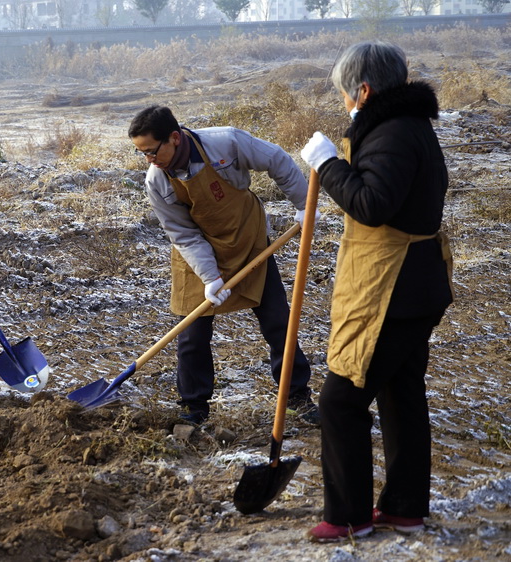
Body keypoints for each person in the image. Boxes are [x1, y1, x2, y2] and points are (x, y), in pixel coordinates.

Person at [301, 41, 453, 543]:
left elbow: (370, 204)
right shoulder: (412, 127)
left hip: (392, 287)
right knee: (400, 390)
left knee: (341, 399)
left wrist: (327, 164)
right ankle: (405, 508)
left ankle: (348, 516)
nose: (346, 103)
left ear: (363, 90)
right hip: (418, 285)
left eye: (347, 95)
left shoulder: (391, 133)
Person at [128, 105, 320, 425]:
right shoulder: (157, 182)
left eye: (151, 151)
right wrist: (210, 276)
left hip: (248, 241)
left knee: (277, 322)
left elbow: (276, 160)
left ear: (174, 138)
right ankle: (193, 407)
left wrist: (304, 205)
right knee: (192, 334)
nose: (148, 159)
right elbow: (184, 235)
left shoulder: (226, 143)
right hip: (197, 253)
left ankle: (297, 396)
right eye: (141, 153)